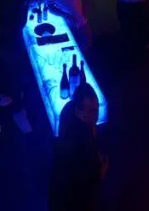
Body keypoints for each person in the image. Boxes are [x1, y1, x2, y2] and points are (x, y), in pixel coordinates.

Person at [49, 83, 105, 211]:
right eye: (91, 111)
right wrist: (100, 171)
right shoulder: (81, 141)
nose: (96, 115)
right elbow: (85, 181)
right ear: (78, 112)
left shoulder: (70, 109)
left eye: (97, 109)